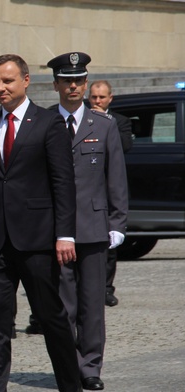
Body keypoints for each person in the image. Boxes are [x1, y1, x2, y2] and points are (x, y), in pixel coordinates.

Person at [0, 54, 81, 392]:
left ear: (26, 81)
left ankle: (70, 385)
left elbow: (63, 182)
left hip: (38, 241)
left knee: (51, 317)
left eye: (7, 81)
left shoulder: (48, 122)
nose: (0, 88)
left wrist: (66, 235)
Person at [47, 52, 128, 391]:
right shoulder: (45, 122)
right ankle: (68, 367)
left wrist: (118, 223)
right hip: (55, 231)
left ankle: (90, 367)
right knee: (61, 306)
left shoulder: (104, 124)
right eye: (67, 80)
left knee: (92, 306)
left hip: (94, 228)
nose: (74, 86)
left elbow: (116, 178)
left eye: (79, 80)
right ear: (56, 85)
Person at [89, 79, 133, 308]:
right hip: (89, 190)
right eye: (94, 97)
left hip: (108, 189)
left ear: (110, 99)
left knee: (110, 243)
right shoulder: (82, 121)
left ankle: (106, 288)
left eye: (102, 97)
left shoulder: (119, 122)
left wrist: (106, 122)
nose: (97, 101)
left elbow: (125, 145)